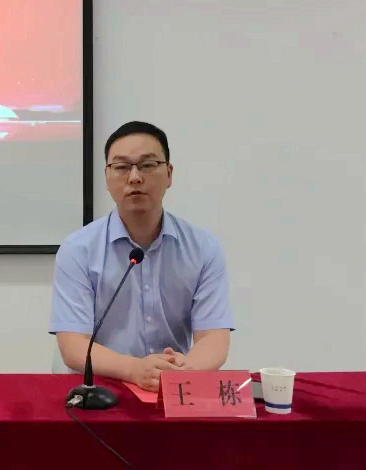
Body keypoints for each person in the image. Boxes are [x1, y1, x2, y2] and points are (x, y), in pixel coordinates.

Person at [50, 122, 233, 391]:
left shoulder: (203, 248)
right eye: (122, 167)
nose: (135, 177)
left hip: (174, 389)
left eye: (147, 165)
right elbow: (74, 346)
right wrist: (134, 370)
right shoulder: (78, 249)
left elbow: (214, 338)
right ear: (107, 178)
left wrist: (182, 371)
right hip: (101, 390)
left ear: (169, 174)